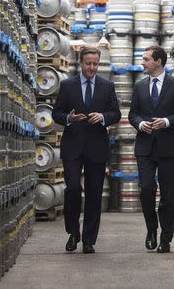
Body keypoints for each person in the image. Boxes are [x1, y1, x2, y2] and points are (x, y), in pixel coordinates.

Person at [52, 47, 121, 254]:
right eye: (88, 63)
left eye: (95, 64)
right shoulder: (67, 85)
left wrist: (103, 118)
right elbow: (56, 113)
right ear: (80, 63)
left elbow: (115, 114)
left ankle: (89, 239)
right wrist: (68, 119)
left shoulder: (107, 86)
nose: (92, 67)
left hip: (96, 146)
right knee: (73, 188)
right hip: (73, 146)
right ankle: (73, 232)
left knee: (94, 194)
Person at [128, 45, 174, 253]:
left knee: (167, 195)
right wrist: (140, 124)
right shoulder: (139, 86)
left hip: (167, 147)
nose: (143, 63)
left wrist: (165, 121)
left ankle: (166, 238)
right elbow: (132, 114)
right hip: (145, 147)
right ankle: (151, 229)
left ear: (159, 61)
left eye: (146, 59)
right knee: (146, 189)